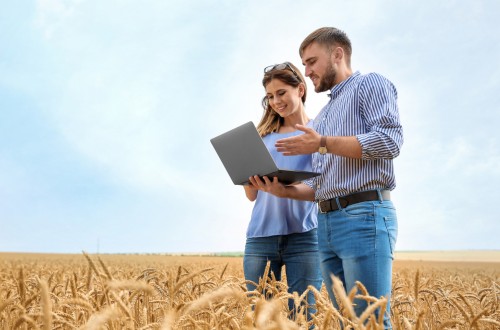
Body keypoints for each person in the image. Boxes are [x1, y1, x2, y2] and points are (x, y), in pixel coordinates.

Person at [249, 27, 403, 329]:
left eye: (311, 62)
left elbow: (389, 142)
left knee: (368, 319)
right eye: (304, 64)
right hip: (327, 224)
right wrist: (285, 192)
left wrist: (322, 143)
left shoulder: (369, 84)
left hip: (363, 215)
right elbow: (322, 183)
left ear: (337, 54)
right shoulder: (325, 114)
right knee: (345, 320)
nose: (306, 72)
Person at [243, 61, 323, 324]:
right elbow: (252, 196)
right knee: (262, 321)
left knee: (303, 318)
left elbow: (322, 188)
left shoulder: (318, 134)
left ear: (300, 89)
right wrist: (249, 179)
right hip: (261, 238)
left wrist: (285, 190)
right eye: (270, 96)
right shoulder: (261, 137)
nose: (276, 101)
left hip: (306, 237)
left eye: (281, 93)